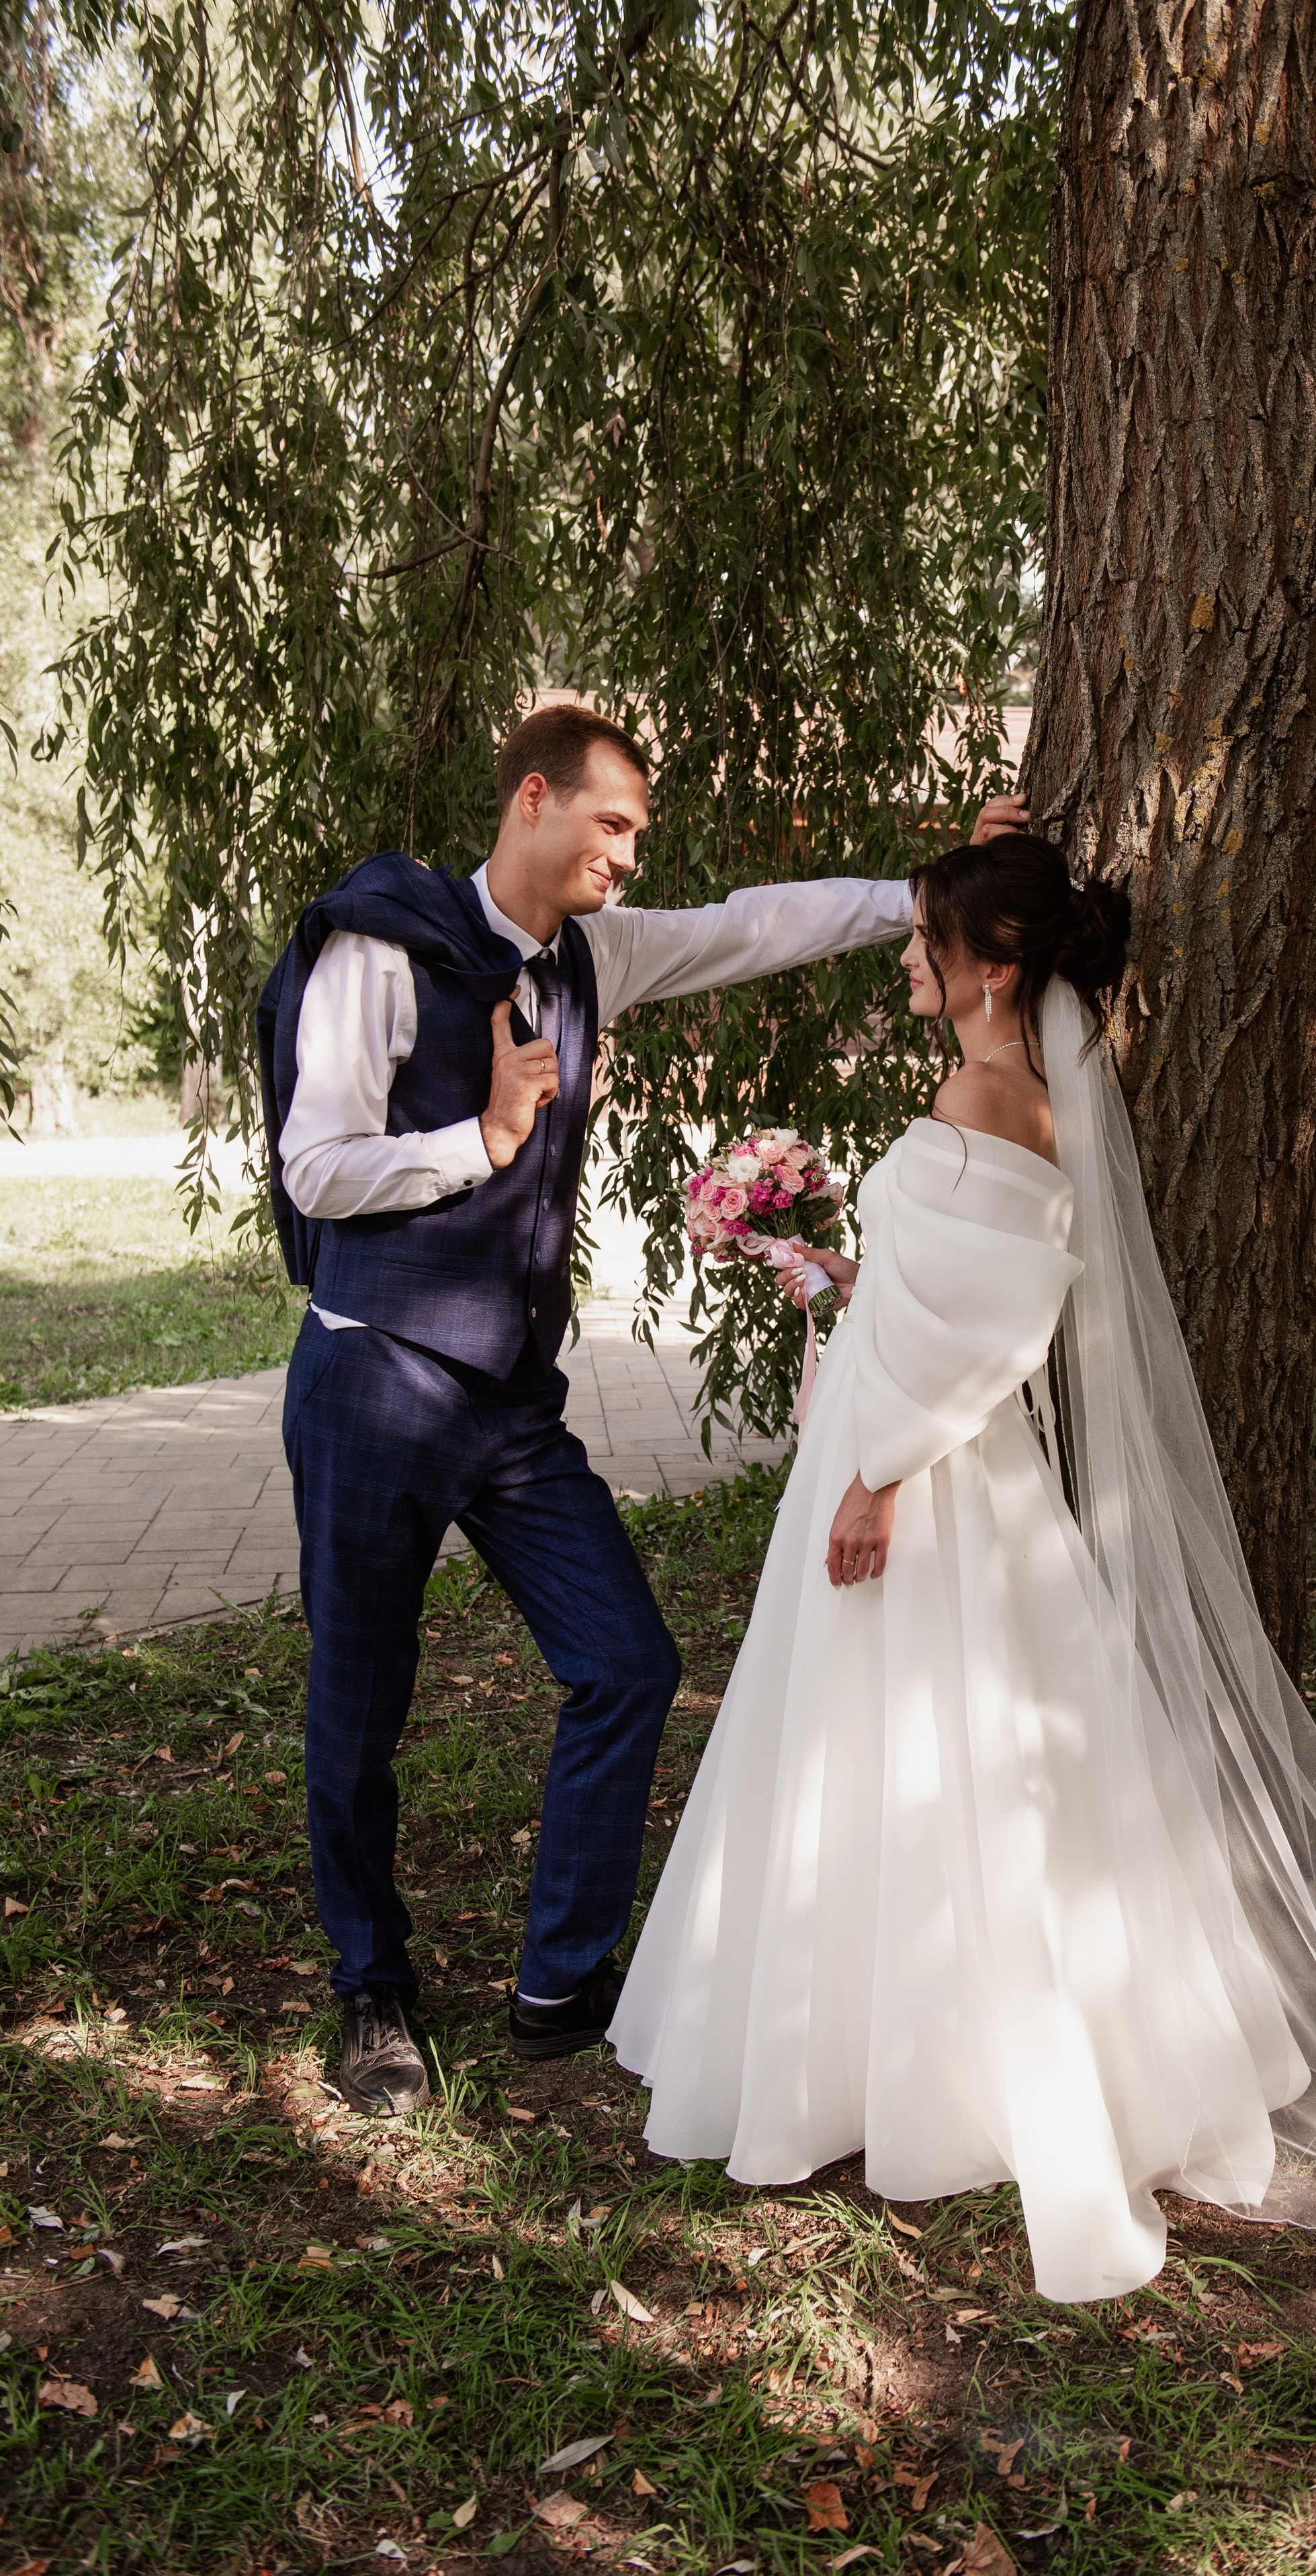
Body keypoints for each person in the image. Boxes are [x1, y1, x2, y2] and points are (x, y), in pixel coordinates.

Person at [609, 831, 1316, 2303]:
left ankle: (901, 2065)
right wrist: (839, 1273)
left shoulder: (983, 1095)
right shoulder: (1003, 1093)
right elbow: (944, 1298)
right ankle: (882, 2049)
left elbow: (993, 1333)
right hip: (911, 1444)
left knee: (918, 1736)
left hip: (917, 1472)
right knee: (910, 1744)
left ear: (993, 967)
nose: (905, 957)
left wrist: (872, 1476)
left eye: (925, 938)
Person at [257, 701, 1024, 2116]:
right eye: (609, 824)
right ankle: (370, 1986)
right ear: (532, 799)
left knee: (626, 1662)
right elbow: (315, 1166)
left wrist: (927, 895)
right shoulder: (379, 949)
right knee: (360, 1700)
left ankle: (560, 1982)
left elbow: (752, 926)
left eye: (635, 835)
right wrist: (479, 1139)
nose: (626, 855)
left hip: (509, 1400)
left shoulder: (594, 954)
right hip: (373, 1374)